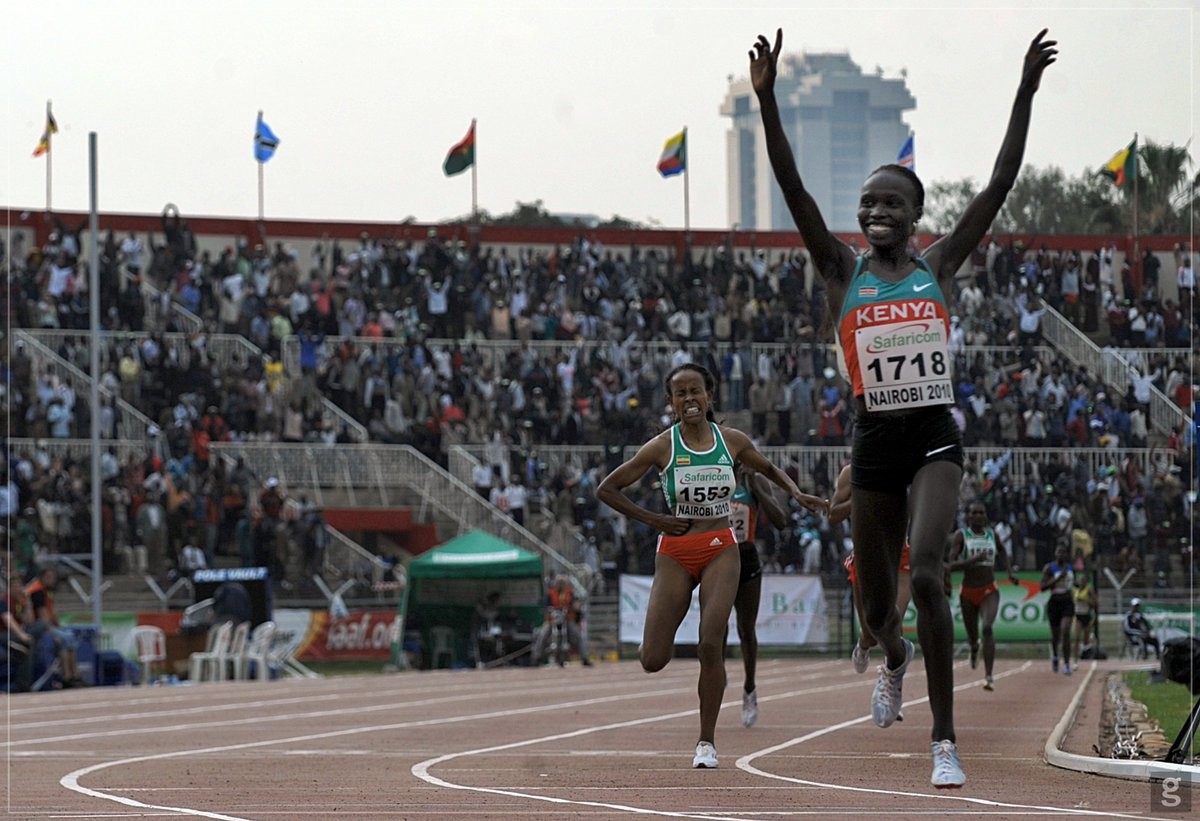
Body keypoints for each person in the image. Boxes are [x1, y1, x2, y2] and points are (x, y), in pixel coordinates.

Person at [750, 25, 1056, 789]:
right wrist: (767, 102)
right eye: (867, 202)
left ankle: (944, 740)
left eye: (891, 200)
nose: (875, 209)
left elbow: (998, 185)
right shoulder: (839, 270)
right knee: (878, 609)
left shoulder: (939, 266)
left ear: (915, 213)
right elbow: (794, 189)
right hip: (874, 442)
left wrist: (1024, 90)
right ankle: (894, 656)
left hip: (933, 436)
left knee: (927, 576)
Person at [596, 363, 826, 769]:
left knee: (710, 642)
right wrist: (656, 519)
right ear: (670, 402)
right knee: (653, 660)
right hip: (675, 551)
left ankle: (706, 742)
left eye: (695, 391)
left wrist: (796, 492)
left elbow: (769, 469)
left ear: (710, 395)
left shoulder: (731, 441)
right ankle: (656, 637)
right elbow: (607, 489)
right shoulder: (661, 447)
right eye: (680, 393)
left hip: (721, 547)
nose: (689, 399)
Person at [830, 465, 912, 677]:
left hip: (898, 551)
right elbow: (833, 514)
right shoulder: (851, 472)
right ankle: (864, 643)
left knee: (894, 624)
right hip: (865, 553)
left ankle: (892, 683)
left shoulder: (903, 465)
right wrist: (860, 498)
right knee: (871, 634)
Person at [729, 463, 788, 727]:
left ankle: (750, 688)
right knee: (714, 625)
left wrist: (757, 489)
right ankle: (716, 673)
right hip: (719, 556)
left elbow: (780, 520)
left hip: (746, 557)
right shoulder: (711, 475)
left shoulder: (754, 481)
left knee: (746, 628)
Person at [949, 501, 1018, 691]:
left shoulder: (992, 535)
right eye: (974, 513)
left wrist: (1009, 572)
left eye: (981, 512)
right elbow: (950, 565)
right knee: (973, 635)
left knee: (987, 628)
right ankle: (973, 647)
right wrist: (972, 561)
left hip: (989, 589)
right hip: (968, 592)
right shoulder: (961, 535)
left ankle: (988, 676)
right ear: (968, 516)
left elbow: (1002, 551)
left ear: (986, 516)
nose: (978, 516)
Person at [25, 565, 83, 687]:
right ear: (42, 577)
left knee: (69, 637)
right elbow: (42, 615)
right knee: (66, 638)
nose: (52, 580)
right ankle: (68, 676)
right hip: (39, 628)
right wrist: (52, 632)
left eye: (53, 577)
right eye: (49, 577)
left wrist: (59, 627)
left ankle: (73, 675)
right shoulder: (37, 591)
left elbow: (51, 612)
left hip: (48, 625)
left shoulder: (47, 590)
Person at [530, 574, 591, 667]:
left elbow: (575, 602)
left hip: (567, 619)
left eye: (562, 582)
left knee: (578, 635)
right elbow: (544, 602)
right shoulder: (550, 593)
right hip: (552, 620)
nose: (561, 584)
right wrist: (547, 608)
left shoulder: (570, 593)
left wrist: (575, 606)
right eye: (559, 582)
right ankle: (536, 658)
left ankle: (584, 657)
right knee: (542, 635)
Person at [1040, 544, 1075, 674]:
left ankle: (1066, 664)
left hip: (1067, 602)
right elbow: (1042, 587)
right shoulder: (1049, 568)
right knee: (1056, 636)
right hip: (1054, 602)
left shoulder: (1070, 568)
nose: (1061, 554)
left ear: (1066, 555)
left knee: (1065, 631)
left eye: (1063, 552)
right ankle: (1055, 656)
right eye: (1059, 552)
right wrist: (1057, 579)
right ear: (1055, 554)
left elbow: (1073, 583)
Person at [1072, 570, 1099, 661]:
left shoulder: (1089, 590)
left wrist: (1086, 600)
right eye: (1080, 580)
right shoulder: (1075, 591)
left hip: (1087, 615)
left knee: (1086, 639)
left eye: (1083, 581)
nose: (1081, 582)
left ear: (1086, 582)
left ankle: (1085, 653)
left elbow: (1095, 603)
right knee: (1077, 637)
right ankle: (1075, 657)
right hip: (1078, 615)